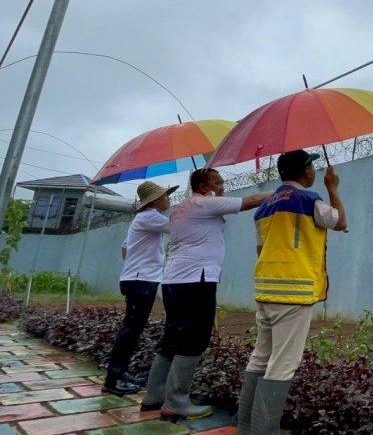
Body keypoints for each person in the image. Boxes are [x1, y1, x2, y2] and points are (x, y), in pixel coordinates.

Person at [142, 168, 272, 421]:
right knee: (193, 339)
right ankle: (176, 401)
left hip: (174, 280)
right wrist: (285, 190)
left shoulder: (182, 208)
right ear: (203, 186)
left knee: (172, 337)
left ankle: (154, 396)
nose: (223, 186)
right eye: (218, 182)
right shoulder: (204, 202)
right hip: (196, 279)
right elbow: (251, 201)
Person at [236, 150, 346, 434]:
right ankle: (265, 431)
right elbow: (340, 221)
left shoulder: (265, 206)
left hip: (266, 289)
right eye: (312, 167)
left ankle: (245, 427)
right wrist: (332, 187)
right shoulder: (309, 199)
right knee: (283, 364)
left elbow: (261, 249)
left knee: (260, 357)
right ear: (307, 171)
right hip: (294, 293)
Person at [102, 181, 178, 396]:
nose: (168, 198)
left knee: (132, 327)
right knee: (131, 329)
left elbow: (125, 248)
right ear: (154, 200)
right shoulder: (150, 217)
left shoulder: (142, 219)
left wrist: (133, 267)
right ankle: (114, 378)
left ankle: (119, 374)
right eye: (165, 195)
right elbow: (178, 228)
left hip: (135, 278)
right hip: (141, 281)